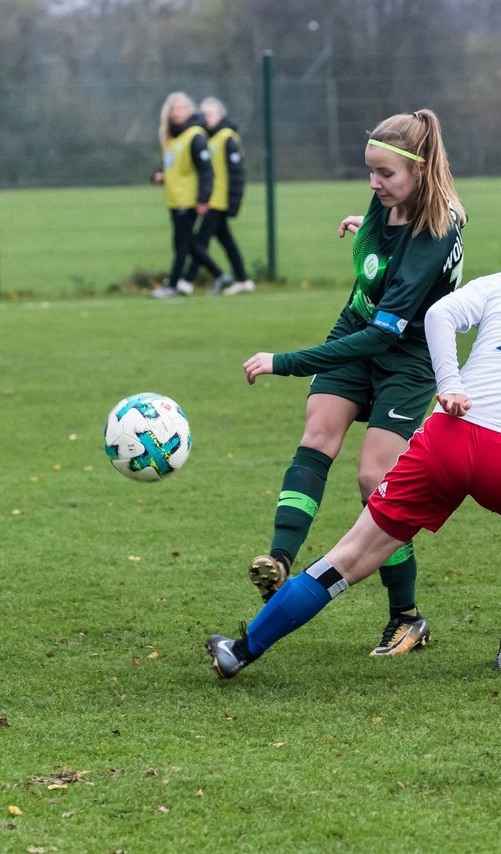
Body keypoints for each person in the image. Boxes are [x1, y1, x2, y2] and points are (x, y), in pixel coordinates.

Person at [205, 203, 501, 678]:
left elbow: (438, 314)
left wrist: (450, 383)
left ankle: (243, 649)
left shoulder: (497, 284)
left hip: (448, 438)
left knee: (350, 556)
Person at [239, 109, 466, 656]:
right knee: (319, 434)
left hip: (404, 355)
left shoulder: (436, 230)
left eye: (385, 174)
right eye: (370, 171)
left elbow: (387, 331)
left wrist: (287, 361)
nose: (374, 183)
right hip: (356, 331)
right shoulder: (391, 200)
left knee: (375, 480)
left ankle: (407, 617)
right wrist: (361, 227)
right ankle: (279, 562)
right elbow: (380, 255)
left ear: (420, 170)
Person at [185, 97, 256, 296]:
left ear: (220, 115)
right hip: (212, 199)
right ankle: (243, 279)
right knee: (225, 241)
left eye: (211, 114)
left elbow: (236, 174)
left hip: (219, 201)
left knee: (200, 240)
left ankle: (188, 280)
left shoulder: (227, 137)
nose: (206, 118)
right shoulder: (207, 138)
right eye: (204, 114)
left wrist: (233, 202)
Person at [150, 91, 214, 299]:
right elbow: (172, 166)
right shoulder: (173, 138)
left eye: (180, 108)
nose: (176, 113)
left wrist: (203, 198)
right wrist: (159, 175)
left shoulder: (194, 136)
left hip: (188, 199)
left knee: (182, 245)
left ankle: (174, 285)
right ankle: (220, 275)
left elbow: (206, 170)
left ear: (189, 110)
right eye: (173, 109)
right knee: (186, 244)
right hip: (175, 199)